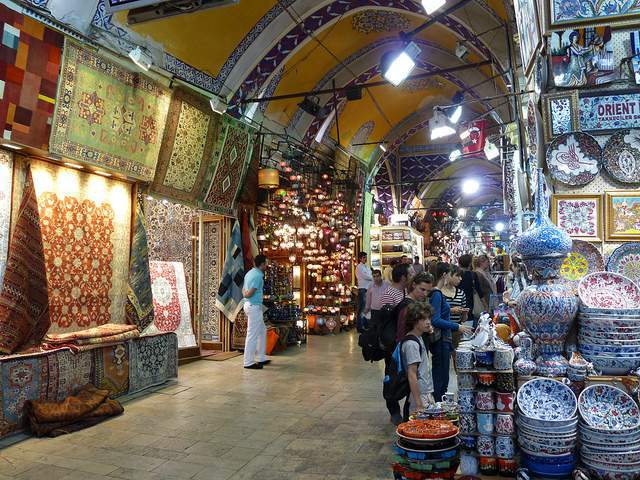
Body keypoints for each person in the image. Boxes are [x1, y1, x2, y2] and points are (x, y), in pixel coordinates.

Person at [429, 262, 473, 402]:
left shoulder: (436, 292)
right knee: (441, 376)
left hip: (444, 339)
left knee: (442, 374)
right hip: (441, 339)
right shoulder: (436, 293)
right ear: (444, 275)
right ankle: (439, 404)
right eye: (450, 273)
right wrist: (456, 326)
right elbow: (435, 319)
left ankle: (440, 403)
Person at [380, 263, 410, 425]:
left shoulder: (406, 292)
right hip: (392, 344)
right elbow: (384, 320)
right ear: (403, 277)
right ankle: (394, 410)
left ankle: (406, 411)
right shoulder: (389, 292)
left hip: (405, 341)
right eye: (410, 273)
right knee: (392, 377)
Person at [402, 302, 436, 417]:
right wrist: (418, 404)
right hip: (419, 395)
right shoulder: (412, 344)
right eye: (423, 318)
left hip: (425, 392)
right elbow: (412, 374)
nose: (428, 322)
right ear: (414, 320)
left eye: (429, 318)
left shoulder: (419, 337)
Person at [242, 254, 269, 370]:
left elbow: (243, 289)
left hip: (249, 305)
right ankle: (248, 362)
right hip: (254, 306)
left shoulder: (249, 273)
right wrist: (247, 295)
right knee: (252, 334)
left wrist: (245, 294)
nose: (267, 265)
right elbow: (250, 293)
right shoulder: (258, 276)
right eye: (266, 263)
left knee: (262, 330)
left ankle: (261, 357)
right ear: (262, 264)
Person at [396, 272, 434, 341]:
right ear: (414, 285)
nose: (425, 294)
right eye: (422, 289)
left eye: (428, 291)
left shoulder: (418, 303)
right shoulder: (406, 305)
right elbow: (401, 334)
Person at [440, 265, 470, 347]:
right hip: (443, 331)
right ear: (448, 275)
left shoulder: (461, 293)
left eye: (460, 276)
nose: (460, 279)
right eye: (457, 276)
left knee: (457, 356)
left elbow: (463, 319)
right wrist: (451, 310)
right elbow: (436, 313)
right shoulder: (439, 293)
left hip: (457, 330)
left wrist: (464, 313)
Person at [458, 254, 483, 325]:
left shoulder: (456, 275)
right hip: (470, 307)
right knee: (468, 331)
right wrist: (485, 305)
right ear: (470, 263)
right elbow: (480, 292)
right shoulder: (473, 275)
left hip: (457, 306)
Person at [355, 252, 373, 332]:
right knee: (362, 309)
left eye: (366, 257)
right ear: (360, 258)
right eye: (364, 257)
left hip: (367, 289)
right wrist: (372, 277)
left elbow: (370, 275)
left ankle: (365, 325)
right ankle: (360, 326)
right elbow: (367, 276)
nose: (365, 259)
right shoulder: (359, 267)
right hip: (362, 289)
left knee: (367, 308)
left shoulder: (367, 267)